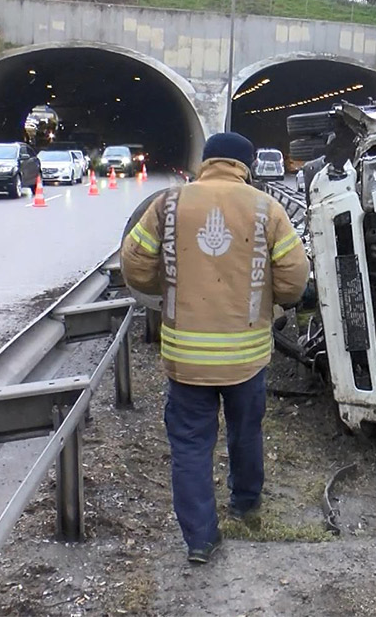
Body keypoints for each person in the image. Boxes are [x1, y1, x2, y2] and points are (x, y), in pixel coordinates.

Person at [120, 133, 310, 564]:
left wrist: (164, 288)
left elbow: (134, 264)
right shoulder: (265, 208)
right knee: (246, 432)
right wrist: (271, 299)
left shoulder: (167, 205)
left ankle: (201, 539)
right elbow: (295, 277)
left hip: (186, 356)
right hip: (246, 355)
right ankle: (245, 502)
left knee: (189, 445)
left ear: (207, 162)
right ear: (245, 165)